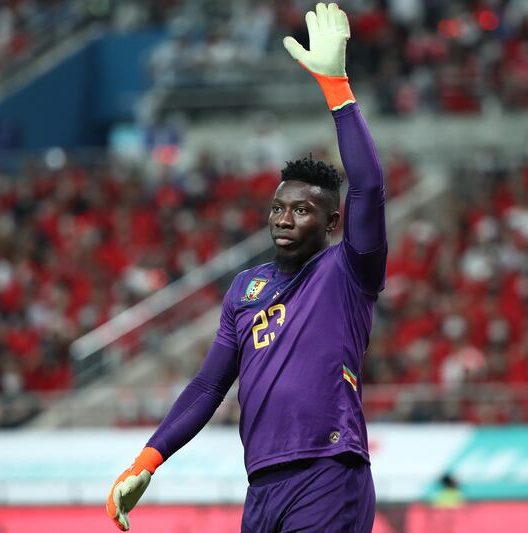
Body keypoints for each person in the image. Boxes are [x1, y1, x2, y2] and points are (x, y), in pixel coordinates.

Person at [105, 3, 386, 532]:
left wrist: (337, 89)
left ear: (332, 224)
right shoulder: (245, 288)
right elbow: (209, 387)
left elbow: (369, 187)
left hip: (328, 472)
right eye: (278, 207)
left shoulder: (349, 272)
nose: (284, 218)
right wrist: (148, 460)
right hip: (261, 487)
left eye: (302, 210)